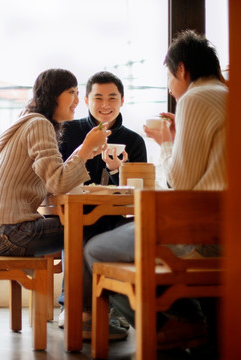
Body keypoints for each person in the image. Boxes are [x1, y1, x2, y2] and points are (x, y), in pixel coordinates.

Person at [83, 29, 227, 355]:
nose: (170, 88)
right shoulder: (235, 96)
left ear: (181, 70)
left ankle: (174, 326)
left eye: (169, 77)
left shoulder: (195, 98)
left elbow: (181, 184)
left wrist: (166, 143)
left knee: (94, 250)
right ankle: (193, 323)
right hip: (237, 230)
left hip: (198, 233)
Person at [0, 68, 108, 258]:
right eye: (71, 92)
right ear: (52, 94)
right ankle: (79, 288)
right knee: (97, 223)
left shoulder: (29, 122)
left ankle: (75, 288)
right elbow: (59, 183)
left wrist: (83, 151)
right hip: (11, 232)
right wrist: (86, 148)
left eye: (78, 93)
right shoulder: (39, 124)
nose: (77, 101)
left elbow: (54, 179)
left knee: (88, 223)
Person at [57, 71, 148, 336]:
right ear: (86, 100)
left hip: (121, 217)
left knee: (114, 229)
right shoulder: (69, 131)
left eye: (112, 98)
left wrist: (120, 171)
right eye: (98, 97)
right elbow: (57, 176)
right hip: (77, 212)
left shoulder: (134, 141)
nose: (105, 104)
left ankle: (113, 308)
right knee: (84, 228)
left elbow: (141, 189)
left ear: (122, 101)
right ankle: (77, 307)